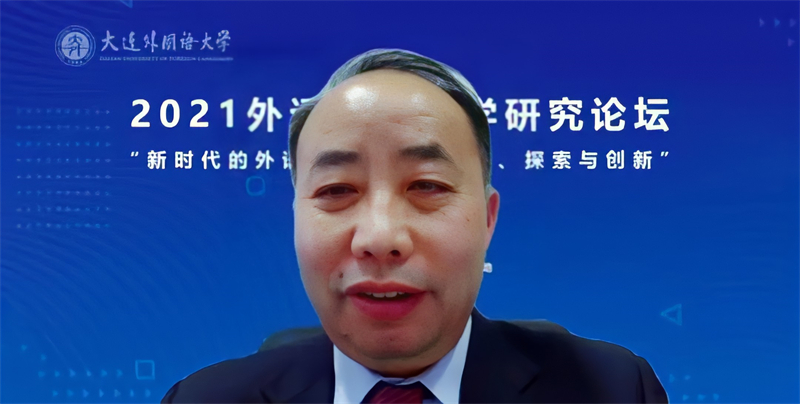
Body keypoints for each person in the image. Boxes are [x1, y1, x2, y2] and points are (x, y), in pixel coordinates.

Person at [161, 49, 668, 403]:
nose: (380, 238)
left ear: (488, 220)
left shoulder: (613, 390)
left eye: (426, 185)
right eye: (336, 190)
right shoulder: (201, 399)